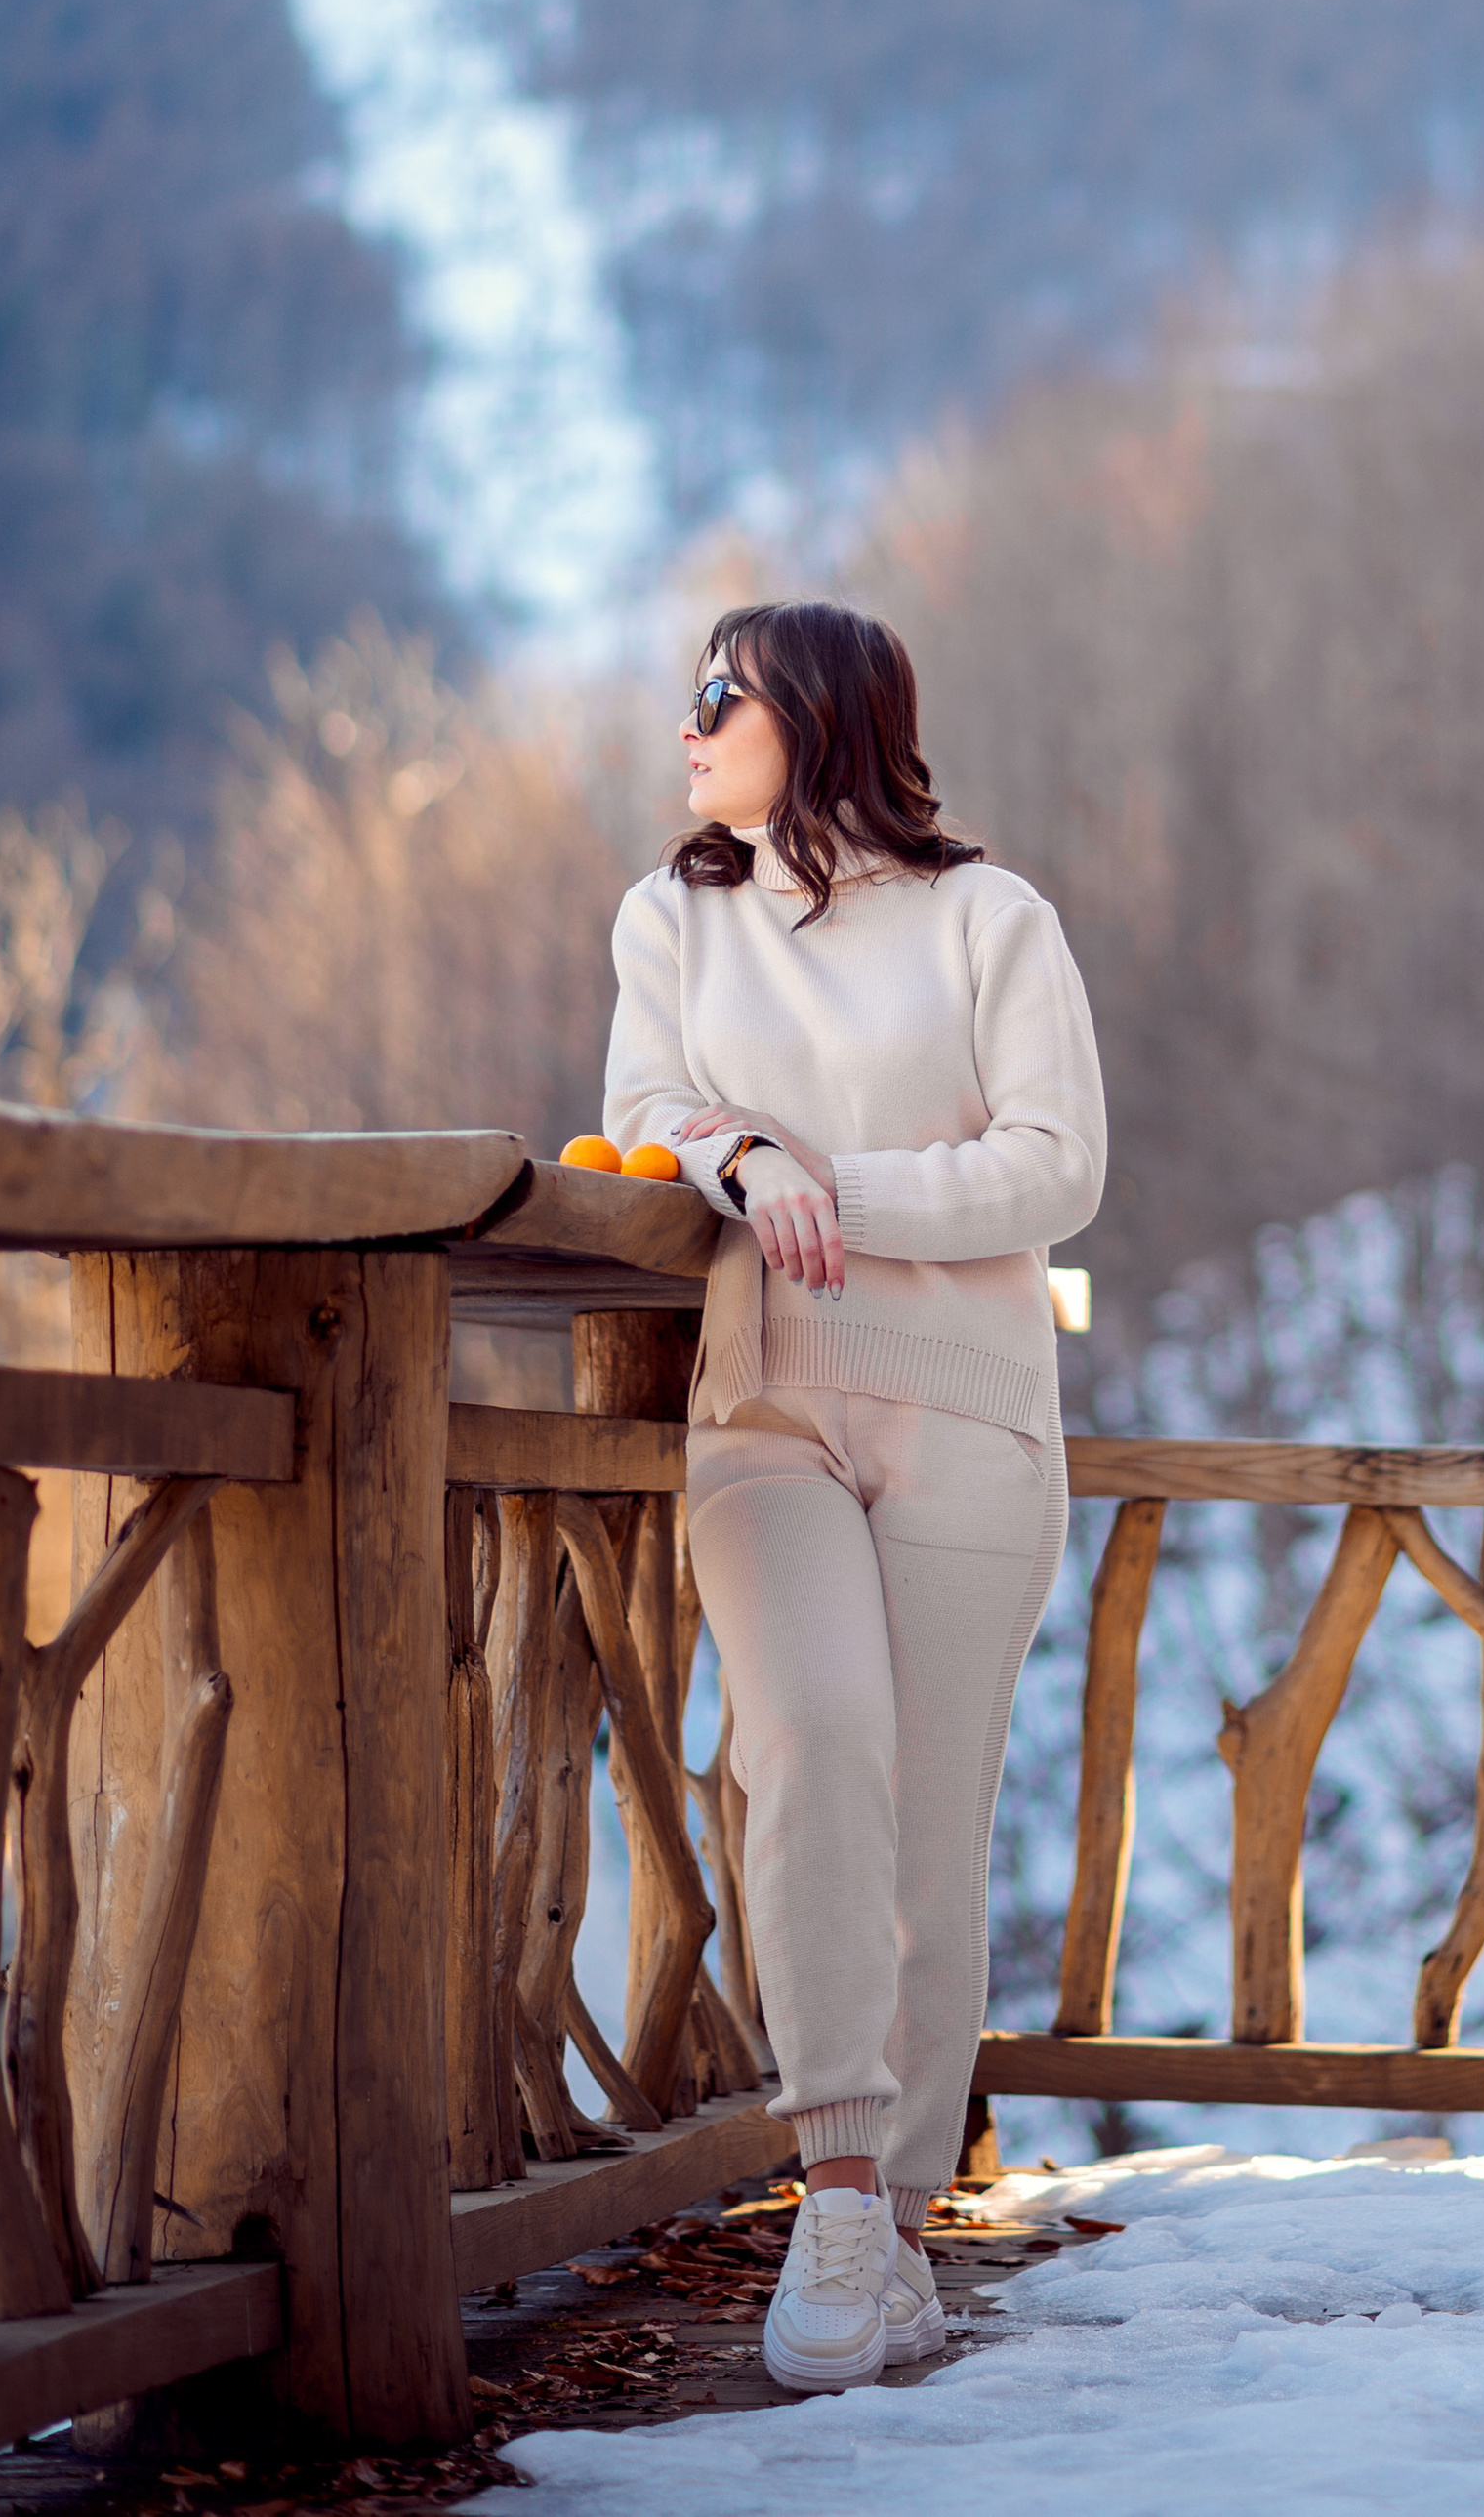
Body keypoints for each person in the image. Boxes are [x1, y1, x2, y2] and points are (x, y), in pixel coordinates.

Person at [601, 598, 1104, 2393]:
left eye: (715, 697)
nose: (688, 727)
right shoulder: (674, 915)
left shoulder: (991, 917)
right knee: (806, 1744)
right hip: (766, 1407)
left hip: (970, 1415)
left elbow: (1061, 1164)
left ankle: (897, 2229)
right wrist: (737, 1157)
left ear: (812, 718)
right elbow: (648, 1105)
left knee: (924, 1833)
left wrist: (847, 1195)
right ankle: (829, 2187)